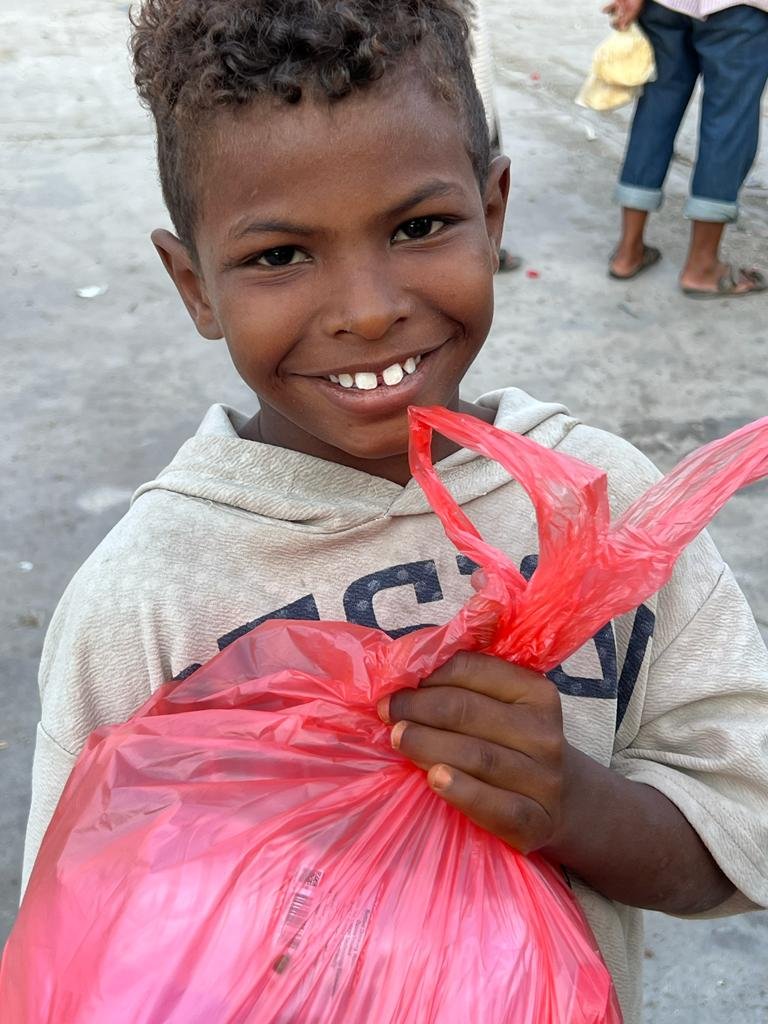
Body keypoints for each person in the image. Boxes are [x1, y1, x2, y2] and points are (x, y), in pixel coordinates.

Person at [22, 2, 768, 1022]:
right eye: (280, 255)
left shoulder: (598, 513)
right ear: (193, 285)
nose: (369, 307)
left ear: (494, 212)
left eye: (419, 229)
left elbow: (744, 836)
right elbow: (83, 945)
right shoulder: (148, 601)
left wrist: (570, 804)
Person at [606, 0, 768, 296]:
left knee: (655, 109)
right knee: (729, 123)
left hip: (665, 6)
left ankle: (627, 252)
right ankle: (702, 266)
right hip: (740, 10)